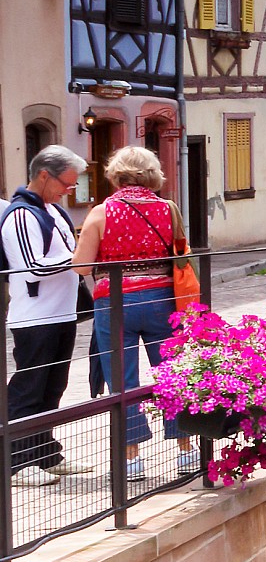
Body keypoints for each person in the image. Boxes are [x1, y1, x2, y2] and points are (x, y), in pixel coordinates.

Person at [71, 146, 194, 480]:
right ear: (153, 175)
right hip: (162, 301)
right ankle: (185, 450)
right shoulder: (168, 209)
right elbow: (180, 253)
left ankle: (131, 459)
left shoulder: (101, 213)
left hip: (115, 304)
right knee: (172, 374)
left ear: (116, 176)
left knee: (122, 380)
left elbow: (81, 267)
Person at [3, 146, 88, 486]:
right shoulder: (21, 215)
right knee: (29, 389)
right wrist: (81, 257)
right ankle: (15, 463)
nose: (69, 190)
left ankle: (45, 455)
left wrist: (79, 256)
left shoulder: (54, 211)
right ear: (43, 175)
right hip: (35, 318)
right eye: (66, 183)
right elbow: (33, 267)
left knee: (53, 389)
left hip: (61, 314)